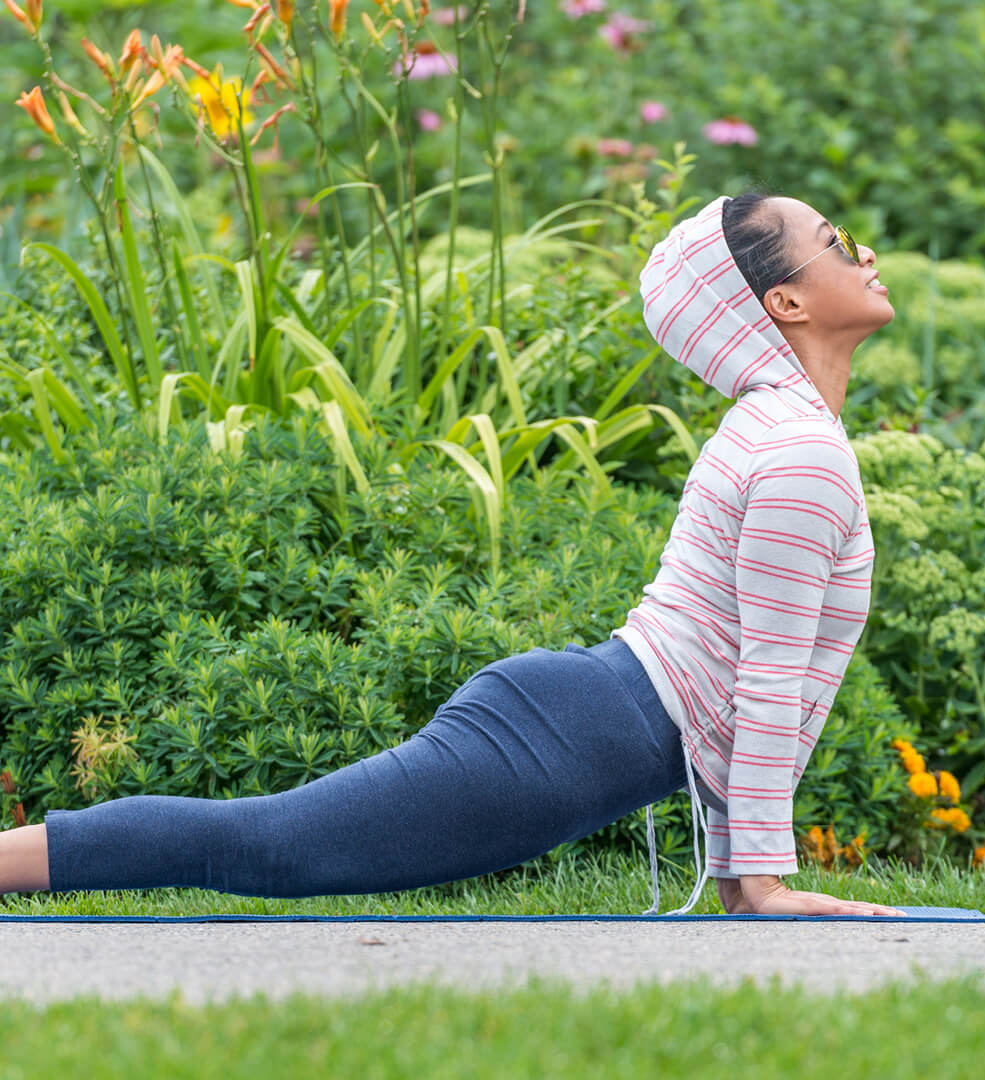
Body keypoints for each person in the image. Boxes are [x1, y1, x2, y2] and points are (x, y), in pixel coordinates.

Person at [0, 191, 907, 917]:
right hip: (568, 738)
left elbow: (743, 676)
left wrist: (747, 876)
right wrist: (761, 878)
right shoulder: (797, 452)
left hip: (585, 721)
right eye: (837, 242)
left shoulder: (782, 434)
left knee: (263, 842)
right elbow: (767, 677)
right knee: (264, 845)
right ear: (785, 302)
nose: (864, 251)